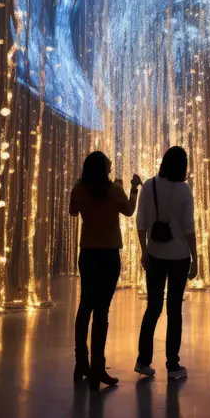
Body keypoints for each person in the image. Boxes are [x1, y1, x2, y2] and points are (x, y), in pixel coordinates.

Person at [70, 151, 142, 390]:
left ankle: (81, 362)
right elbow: (130, 211)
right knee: (102, 311)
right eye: (108, 162)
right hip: (109, 254)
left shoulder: (80, 189)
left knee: (85, 307)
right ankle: (98, 368)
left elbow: (72, 211)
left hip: (88, 254)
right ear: (103, 168)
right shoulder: (114, 191)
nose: (112, 163)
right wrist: (133, 188)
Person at [135, 146, 197, 381]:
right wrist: (196, 258)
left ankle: (143, 360)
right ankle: (173, 366)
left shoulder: (148, 186)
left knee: (153, 307)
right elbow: (189, 228)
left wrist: (144, 251)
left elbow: (140, 222)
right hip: (179, 256)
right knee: (174, 310)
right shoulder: (184, 190)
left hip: (155, 255)